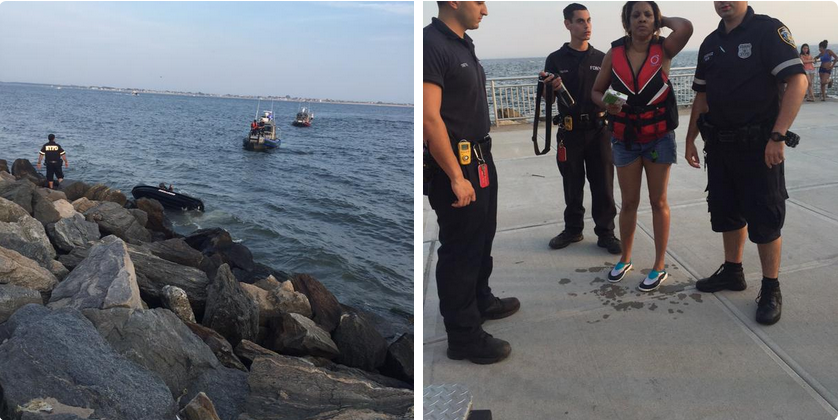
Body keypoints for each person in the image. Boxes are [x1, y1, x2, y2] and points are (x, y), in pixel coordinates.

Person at [685, 2, 807, 325]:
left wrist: (778, 136)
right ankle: (733, 271)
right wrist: (689, 139)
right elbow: (702, 96)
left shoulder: (768, 30)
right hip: (720, 146)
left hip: (760, 147)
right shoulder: (710, 44)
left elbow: (798, 81)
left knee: (765, 217)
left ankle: (771, 288)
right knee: (727, 213)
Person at [424, 1, 519, 365]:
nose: (486, 10)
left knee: (482, 237)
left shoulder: (461, 43)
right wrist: (455, 177)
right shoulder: (431, 44)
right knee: (460, 250)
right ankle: (463, 336)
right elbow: (430, 119)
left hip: (480, 158)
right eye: (479, 1)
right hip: (457, 167)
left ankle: (481, 300)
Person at [591, 1, 692, 292]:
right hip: (625, 139)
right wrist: (609, 105)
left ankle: (659, 265)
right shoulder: (614, 53)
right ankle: (625, 258)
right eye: (636, 15)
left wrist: (662, 18)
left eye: (648, 15)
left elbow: (685, 27)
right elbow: (596, 91)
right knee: (629, 202)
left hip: (659, 137)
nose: (642, 20)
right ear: (627, 21)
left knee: (658, 201)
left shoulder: (664, 49)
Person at [539, 3, 621, 255]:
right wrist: (548, 87)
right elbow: (547, 99)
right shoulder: (556, 59)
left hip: (599, 130)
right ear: (568, 25)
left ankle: (606, 232)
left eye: (588, 21)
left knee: (603, 184)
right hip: (570, 132)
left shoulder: (601, 58)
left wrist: (615, 106)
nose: (586, 26)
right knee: (572, 183)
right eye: (580, 21)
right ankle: (573, 229)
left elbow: (613, 93)